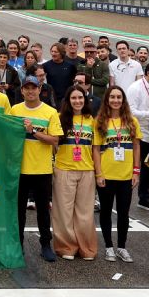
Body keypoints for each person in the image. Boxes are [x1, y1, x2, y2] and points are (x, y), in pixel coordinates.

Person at [8, 75, 61, 262]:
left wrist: (33, 132)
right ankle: (18, 243)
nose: (30, 91)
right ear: (22, 90)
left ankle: (46, 244)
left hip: (42, 169)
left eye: (34, 87)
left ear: (40, 90)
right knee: (19, 210)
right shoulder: (14, 110)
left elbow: (54, 140)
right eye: (26, 88)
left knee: (43, 211)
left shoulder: (50, 112)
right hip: (19, 169)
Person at [93, 86, 141, 263]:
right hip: (106, 174)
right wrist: (98, 173)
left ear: (123, 100)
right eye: (112, 97)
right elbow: (96, 150)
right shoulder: (100, 121)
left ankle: (122, 247)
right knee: (105, 211)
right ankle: (108, 247)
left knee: (124, 212)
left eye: (119, 97)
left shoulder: (131, 121)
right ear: (107, 99)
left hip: (126, 175)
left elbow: (136, 146)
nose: (115, 100)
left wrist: (136, 171)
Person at [51, 86, 98, 261]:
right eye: (73, 98)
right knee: (63, 212)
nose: (77, 101)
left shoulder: (91, 120)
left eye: (80, 98)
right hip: (64, 169)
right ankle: (66, 246)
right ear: (68, 101)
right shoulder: (59, 118)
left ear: (85, 100)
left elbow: (95, 148)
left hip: (86, 170)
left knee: (85, 213)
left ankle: (86, 247)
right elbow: (53, 144)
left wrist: (97, 172)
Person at [125, 61, 149, 211]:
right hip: (137, 134)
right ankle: (125, 196)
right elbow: (130, 111)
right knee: (132, 167)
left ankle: (143, 198)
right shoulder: (135, 88)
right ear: (148, 73)